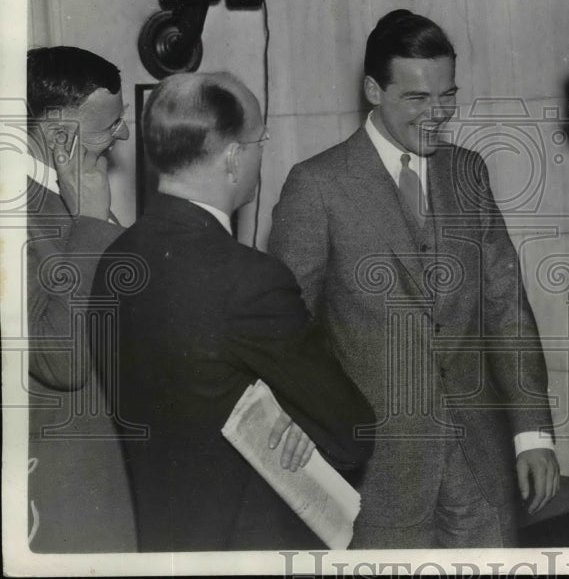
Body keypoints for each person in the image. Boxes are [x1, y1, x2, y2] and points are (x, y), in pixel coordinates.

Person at [269, 9, 558, 549]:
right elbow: (288, 332)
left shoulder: (468, 172)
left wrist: (532, 432)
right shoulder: (316, 185)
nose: (437, 115)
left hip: (479, 461)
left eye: (447, 96)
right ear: (374, 90)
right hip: (377, 474)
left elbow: (506, 306)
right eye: (418, 99)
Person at [92, 72, 374, 551]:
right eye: (260, 140)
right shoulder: (251, 280)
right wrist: (297, 421)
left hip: (161, 540)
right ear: (232, 157)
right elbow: (352, 429)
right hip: (249, 545)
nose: (262, 153)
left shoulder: (116, 260)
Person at [24, 45, 135, 552]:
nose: (123, 134)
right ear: (56, 135)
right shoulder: (18, 215)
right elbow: (62, 360)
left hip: (115, 465)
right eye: (109, 126)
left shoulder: (73, 193)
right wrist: (90, 225)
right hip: (64, 487)